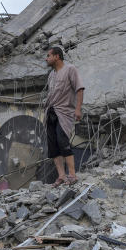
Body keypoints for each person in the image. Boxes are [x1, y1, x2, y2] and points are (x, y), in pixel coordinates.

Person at [42, 46, 84, 186]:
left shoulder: (70, 69)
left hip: (64, 112)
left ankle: (72, 175)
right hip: (51, 112)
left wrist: (77, 109)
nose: (46, 58)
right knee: (53, 146)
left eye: (48, 55)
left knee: (63, 141)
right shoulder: (51, 75)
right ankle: (61, 176)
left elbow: (79, 89)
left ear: (57, 56)